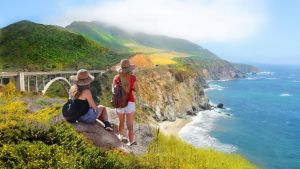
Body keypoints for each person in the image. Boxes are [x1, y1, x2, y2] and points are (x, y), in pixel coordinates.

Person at [113, 59, 138, 146]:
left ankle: (120, 137)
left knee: (121, 121)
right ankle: (130, 141)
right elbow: (137, 89)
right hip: (130, 102)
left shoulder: (116, 78)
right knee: (130, 124)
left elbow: (114, 91)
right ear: (129, 68)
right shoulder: (133, 77)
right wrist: (131, 88)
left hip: (119, 103)